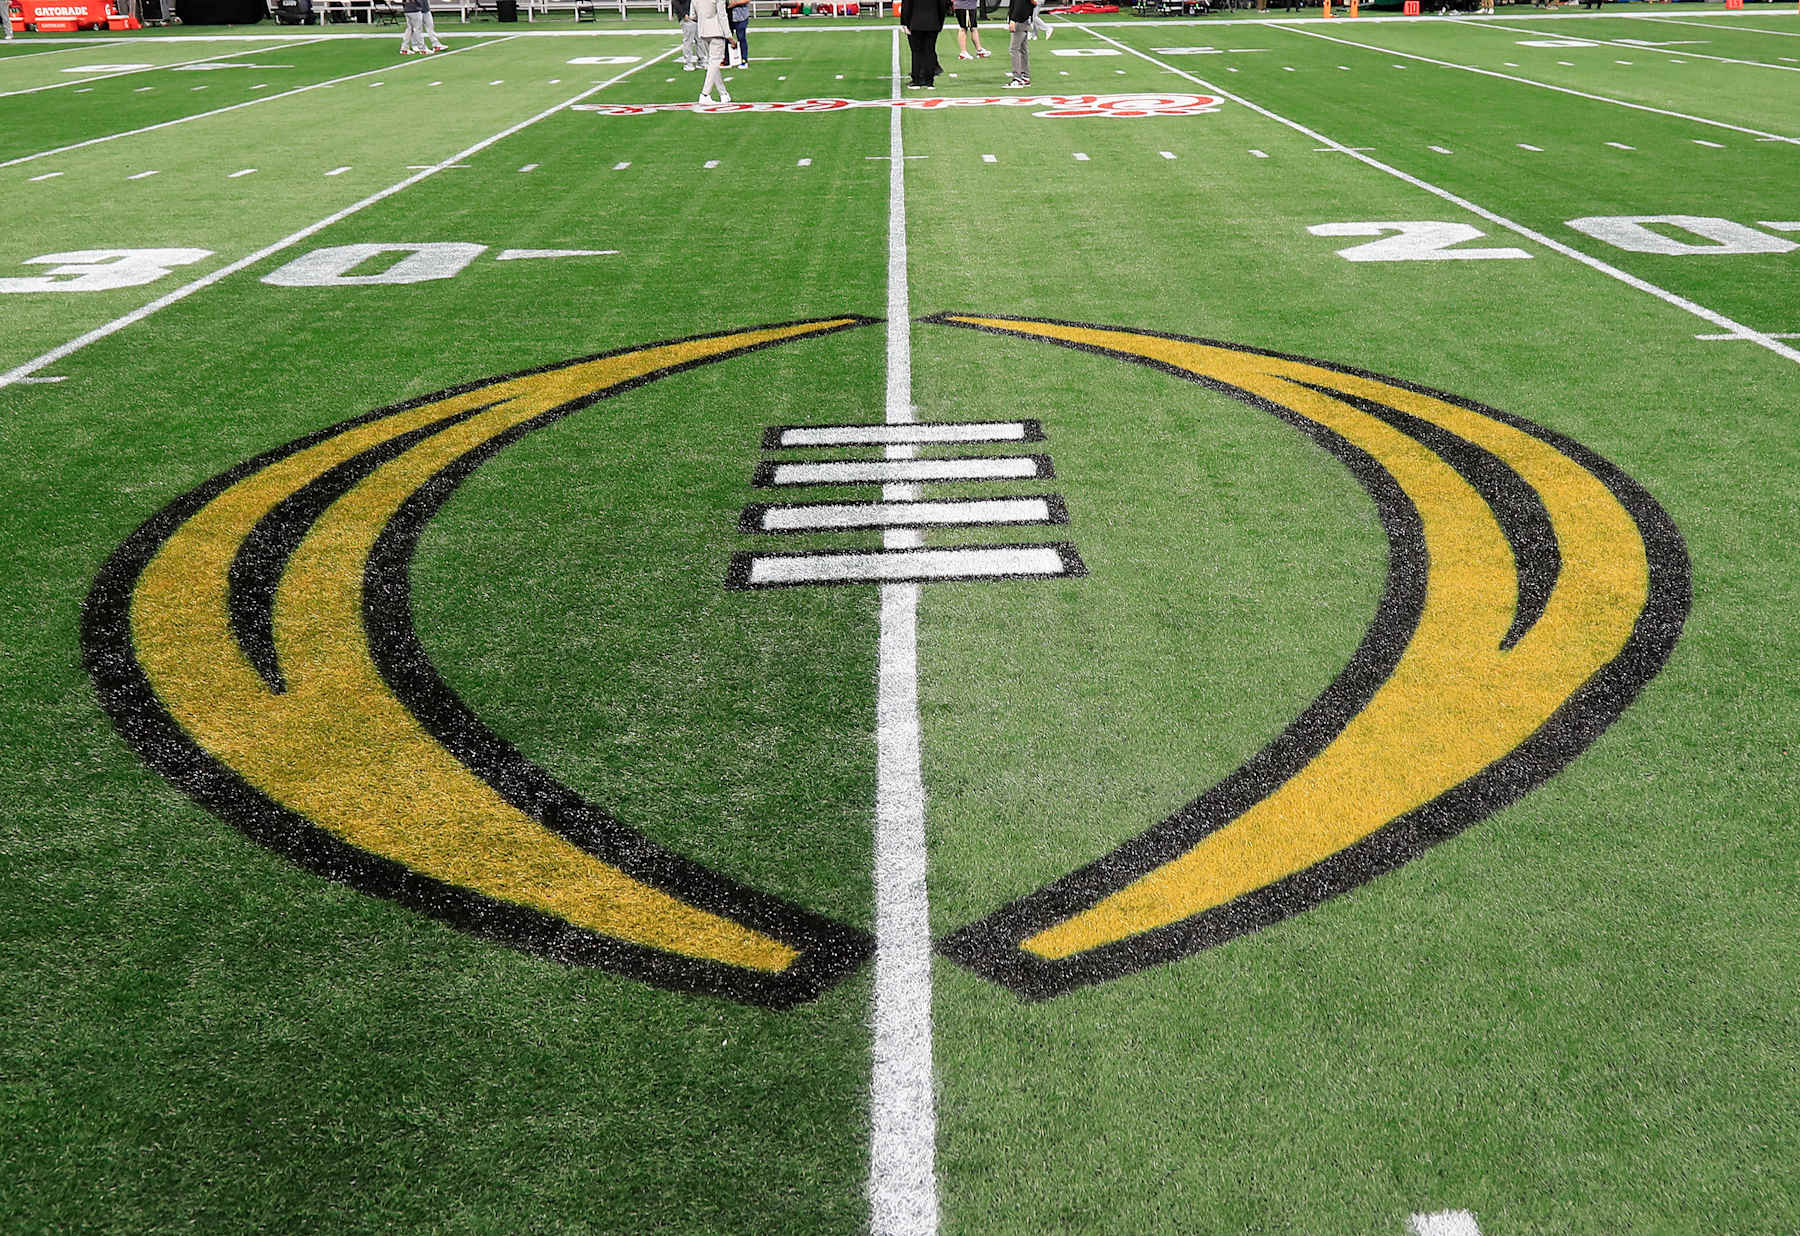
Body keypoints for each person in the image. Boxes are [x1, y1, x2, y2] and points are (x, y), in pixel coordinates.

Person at [899, 0, 949, 89]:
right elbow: (942, 5)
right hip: (933, 22)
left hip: (915, 22)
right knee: (930, 51)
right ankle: (929, 81)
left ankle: (917, 80)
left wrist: (904, 22)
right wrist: (940, 23)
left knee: (916, 52)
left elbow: (906, 5)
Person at [694, 0, 732, 104]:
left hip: (703, 32)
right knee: (714, 63)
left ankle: (723, 94)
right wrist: (729, 35)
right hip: (716, 32)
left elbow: (693, 15)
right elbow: (722, 15)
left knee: (713, 64)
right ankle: (705, 94)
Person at [1006, 0, 1033, 86]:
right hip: (1025, 19)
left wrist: (1013, 19)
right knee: (1023, 49)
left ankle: (1017, 78)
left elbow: (1018, 4)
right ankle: (1025, 76)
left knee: (1014, 49)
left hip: (1020, 20)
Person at [672, 0, 700, 71]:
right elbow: (675, 2)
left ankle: (702, 61)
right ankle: (688, 63)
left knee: (700, 40)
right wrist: (683, 14)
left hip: (697, 16)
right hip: (687, 17)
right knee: (688, 41)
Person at [727, 0, 750, 67]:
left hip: (741, 16)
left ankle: (744, 59)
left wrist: (736, 3)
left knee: (741, 38)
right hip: (728, 15)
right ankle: (727, 60)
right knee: (727, 38)